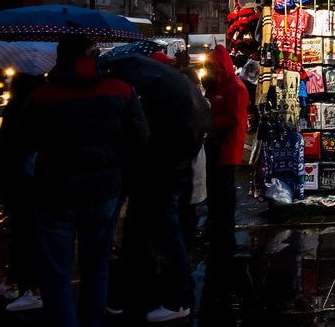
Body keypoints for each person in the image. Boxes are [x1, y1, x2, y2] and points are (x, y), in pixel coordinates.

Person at [20, 35, 148, 327]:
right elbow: (140, 137)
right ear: (92, 54)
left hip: (56, 191)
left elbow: (22, 141)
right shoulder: (121, 90)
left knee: (56, 275)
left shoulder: (43, 95)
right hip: (104, 190)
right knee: (96, 267)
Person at [109, 54, 208, 322]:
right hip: (168, 171)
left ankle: (177, 299)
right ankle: (137, 292)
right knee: (146, 232)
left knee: (163, 232)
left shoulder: (152, 96)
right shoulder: (177, 89)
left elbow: (142, 137)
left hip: (158, 172)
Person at [0, 71, 46, 312]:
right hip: (38, 183)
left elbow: (9, 146)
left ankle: (29, 287)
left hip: (23, 182)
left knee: (24, 234)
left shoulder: (20, 107)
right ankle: (28, 283)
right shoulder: (42, 103)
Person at [202, 44, 249, 261]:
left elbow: (233, 118)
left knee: (225, 186)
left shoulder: (236, 88)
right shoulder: (218, 85)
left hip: (228, 144)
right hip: (216, 142)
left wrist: (209, 122)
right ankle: (217, 222)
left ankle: (225, 226)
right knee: (215, 184)